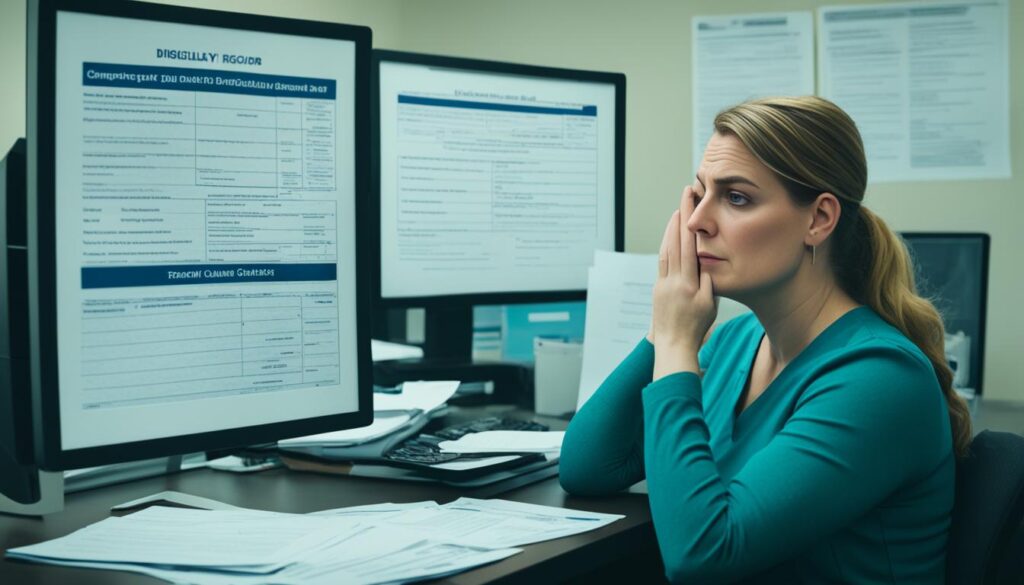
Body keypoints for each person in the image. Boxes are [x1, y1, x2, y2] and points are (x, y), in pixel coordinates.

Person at [559, 96, 971, 584]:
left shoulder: (879, 376)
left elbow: (703, 555)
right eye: (699, 193)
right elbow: (588, 466)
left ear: (818, 219)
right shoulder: (735, 341)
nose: (696, 222)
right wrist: (661, 330)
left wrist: (675, 345)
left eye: (736, 198)